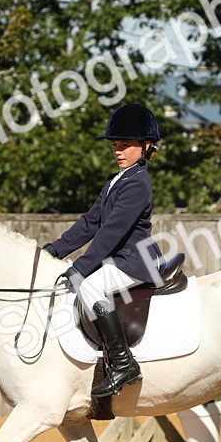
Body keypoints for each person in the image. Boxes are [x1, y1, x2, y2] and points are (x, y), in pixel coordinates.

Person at [42, 102, 165, 398]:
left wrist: (81, 268)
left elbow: (111, 232)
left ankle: (124, 364)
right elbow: (90, 222)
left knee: (89, 288)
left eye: (125, 146)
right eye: (115, 146)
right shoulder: (114, 181)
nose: (118, 151)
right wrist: (54, 250)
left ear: (146, 147)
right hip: (119, 260)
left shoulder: (138, 183)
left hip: (135, 261)